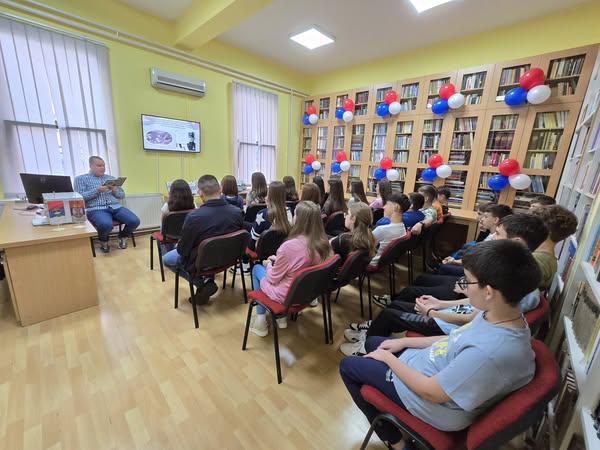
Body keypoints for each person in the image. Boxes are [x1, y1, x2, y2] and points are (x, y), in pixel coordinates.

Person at [340, 240, 539, 449]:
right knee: (373, 342)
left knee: (348, 366)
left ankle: (397, 443)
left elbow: (431, 392)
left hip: (430, 401)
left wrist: (388, 359)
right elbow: (454, 339)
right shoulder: (498, 314)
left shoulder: (489, 352)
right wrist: (405, 342)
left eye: (468, 281)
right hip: (431, 365)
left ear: (488, 292)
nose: (464, 285)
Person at [341, 213, 548, 355]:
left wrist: (433, 311)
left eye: (499, 234)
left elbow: (470, 320)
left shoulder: (515, 283)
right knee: (402, 301)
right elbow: (475, 308)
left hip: (447, 323)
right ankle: (375, 330)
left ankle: (367, 346)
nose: (493, 237)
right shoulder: (514, 273)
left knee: (391, 313)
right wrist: (441, 303)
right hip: (450, 312)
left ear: (517, 242)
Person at [249, 201, 332, 336]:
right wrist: (279, 260)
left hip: (286, 296)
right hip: (306, 293)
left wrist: (268, 264)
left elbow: (273, 278)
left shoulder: (289, 246)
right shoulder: (323, 243)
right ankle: (281, 319)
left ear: (298, 219)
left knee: (256, 268)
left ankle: (260, 321)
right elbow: (300, 265)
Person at [162, 174, 243, 304]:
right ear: (220, 189)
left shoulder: (194, 217)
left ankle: (203, 283)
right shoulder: (237, 212)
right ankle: (207, 280)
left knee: (166, 259)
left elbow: (183, 251)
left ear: (200, 193)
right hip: (229, 259)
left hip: (203, 261)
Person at [74, 156, 140, 253]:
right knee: (105, 224)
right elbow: (79, 198)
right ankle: (103, 241)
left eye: (103, 165)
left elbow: (122, 195)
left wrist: (115, 190)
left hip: (116, 207)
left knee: (134, 221)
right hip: (96, 209)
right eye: (99, 166)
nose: (102, 168)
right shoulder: (80, 179)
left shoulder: (111, 178)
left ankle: (122, 237)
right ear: (91, 166)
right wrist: (97, 190)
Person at [526, 205, 577, 290]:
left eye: (533, 226)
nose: (527, 229)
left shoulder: (538, 261)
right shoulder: (544, 258)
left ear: (546, 231)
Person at [248, 181, 292, 252]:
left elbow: (251, 243)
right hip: (282, 250)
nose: (265, 197)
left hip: (262, 253)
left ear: (270, 197)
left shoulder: (262, 214)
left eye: (267, 194)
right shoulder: (289, 211)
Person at [370, 193, 410, 267]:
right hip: (384, 262)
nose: (384, 207)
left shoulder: (382, 230)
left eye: (387, 204)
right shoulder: (403, 228)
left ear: (396, 207)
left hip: (371, 262)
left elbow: (364, 246)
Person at [160, 179, 196, 253]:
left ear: (172, 192)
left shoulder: (167, 205)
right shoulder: (193, 204)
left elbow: (163, 221)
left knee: (162, 229)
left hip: (170, 235)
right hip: (188, 233)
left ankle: (167, 254)